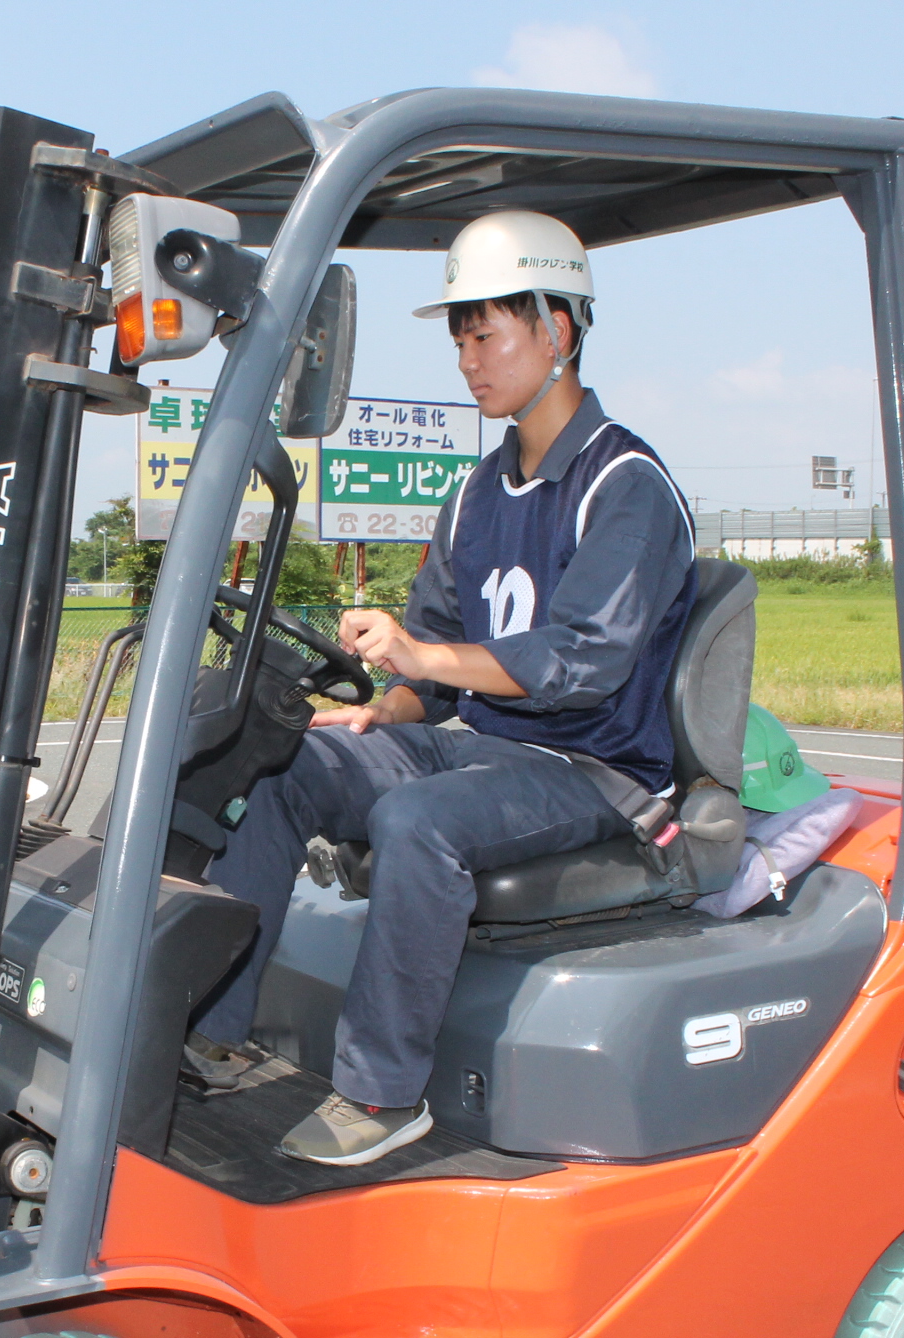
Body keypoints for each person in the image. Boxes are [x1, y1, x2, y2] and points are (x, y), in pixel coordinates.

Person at [193, 209, 699, 1166]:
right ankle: (210, 1027)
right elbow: (443, 645)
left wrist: (421, 662)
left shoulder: (625, 485)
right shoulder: (476, 492)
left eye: (488, 333)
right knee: (284, 758)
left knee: (419, 821)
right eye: (460, 338)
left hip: (591, 764)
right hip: (485, 741)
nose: (468, 360)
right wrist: (386, 707)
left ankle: (383, 1098)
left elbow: (579, 660)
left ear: (557, 329)